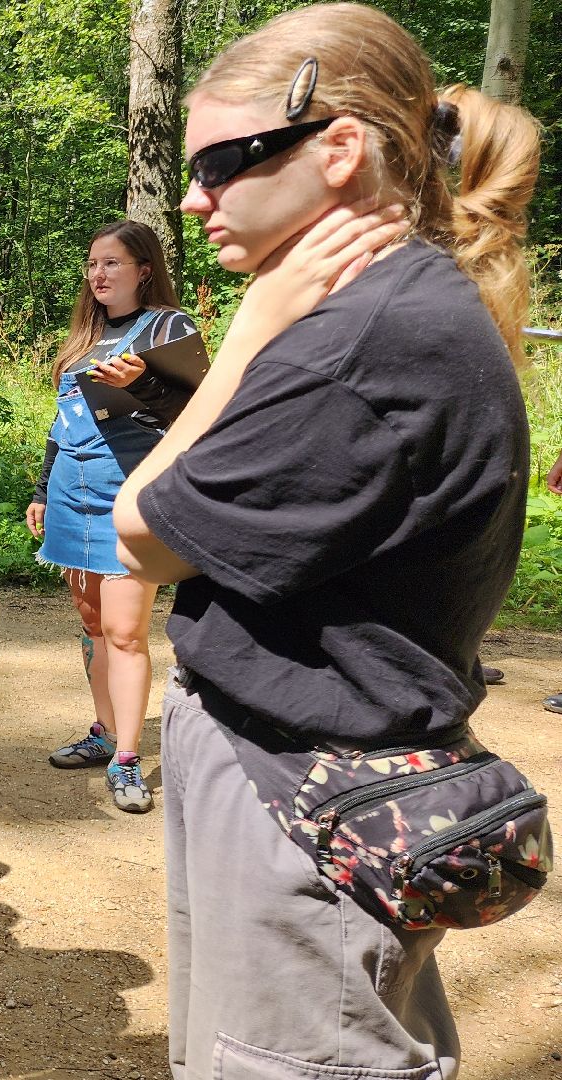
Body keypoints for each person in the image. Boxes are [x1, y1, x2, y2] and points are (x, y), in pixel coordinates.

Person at [111, 9, 540, 1078]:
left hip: (301, 794)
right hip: (314, 782)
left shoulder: (356, 348)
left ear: (338, 149)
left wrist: (248, 330)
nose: (195, 197)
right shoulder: (390, 313)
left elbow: (140, 535)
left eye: (218, 162)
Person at [26, 220, 197, 814]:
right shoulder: (83, 337)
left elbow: (198, 407)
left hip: (131, 493)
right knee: (93, 622)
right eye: (92, 264)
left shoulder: (170, 327)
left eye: (112, 264)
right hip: (73, 495)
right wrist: (44, 490)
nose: (97, 275)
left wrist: (146, 381)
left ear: (143, 269)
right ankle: (103, 731)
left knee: (126, 632)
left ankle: (126, 757)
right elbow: (62, 421)